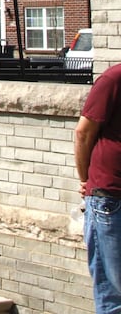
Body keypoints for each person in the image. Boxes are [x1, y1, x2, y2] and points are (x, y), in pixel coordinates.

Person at [75, 60, 121, 312]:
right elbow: (83, 133)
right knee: (113, 288)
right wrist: (85, 179)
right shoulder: (113, 79)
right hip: (110, 198)